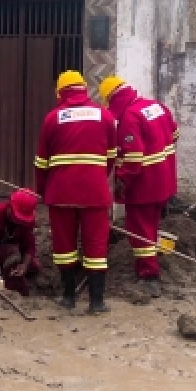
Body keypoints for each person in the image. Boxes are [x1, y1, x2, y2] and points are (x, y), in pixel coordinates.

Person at [35, 71, 116, 313]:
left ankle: (68, 298)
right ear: (84, 88)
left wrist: (43, 191)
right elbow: (111, 157)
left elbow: (41, 162)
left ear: (60, 92)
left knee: (64, 245)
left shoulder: (52, 118)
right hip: (95, 192)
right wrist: (97, 177)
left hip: (61, 193)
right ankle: (97, 302)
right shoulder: (105, 115)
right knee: (96, 245)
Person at [99, 75, 179, 299]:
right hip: (164, 180)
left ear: (111, 98)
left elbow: (133, 160)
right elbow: (174, 134)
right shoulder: (154, 105)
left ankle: (148, 276)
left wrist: (122, 182)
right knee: (151, 225)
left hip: (144, 187)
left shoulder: (129, 117)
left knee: (140, 230)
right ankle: (152, 262)